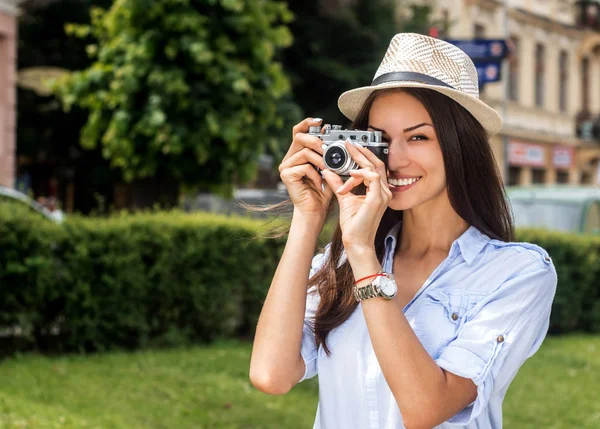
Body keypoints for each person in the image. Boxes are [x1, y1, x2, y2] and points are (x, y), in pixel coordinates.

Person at [249, 33, 557, 429]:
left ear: (460, 145)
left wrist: (364, 255)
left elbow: (425, 409)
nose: (392, 160)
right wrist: (308, 216)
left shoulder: (516, 273)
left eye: (418, 137)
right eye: (379, 140)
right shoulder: (338, 265)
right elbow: (271, 375)